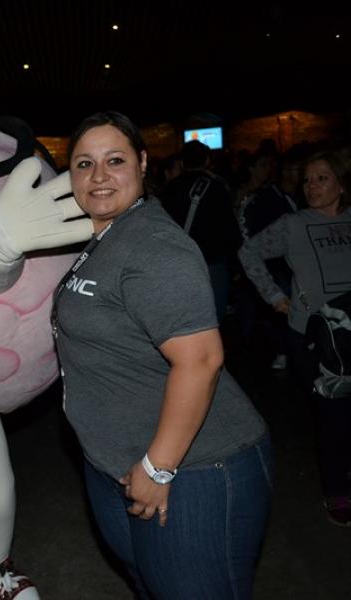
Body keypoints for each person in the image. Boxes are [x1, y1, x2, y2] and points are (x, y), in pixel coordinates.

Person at [53, 112, 271, 599]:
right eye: (84, 163)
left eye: (115, 160)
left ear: (143, 163)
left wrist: (158, 467)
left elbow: (201, 360)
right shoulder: (105, 235)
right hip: (118, 460)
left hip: (194, 469)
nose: (99, 176)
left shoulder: (153, 245)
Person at [239, 149, 351, 526]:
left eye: (321, 178)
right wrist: (274, 296)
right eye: (307, 180)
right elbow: (248, 252)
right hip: (313, 338)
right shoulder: (293, 224)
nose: (311, 186)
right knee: (333, 415)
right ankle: (337, 490)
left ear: (341, 184)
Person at [159, 139, 241, 323]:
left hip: (179, 263)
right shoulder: (216, 186)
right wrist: (234, 263)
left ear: (182, 162)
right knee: (213, 318)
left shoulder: (170, 188)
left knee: (184, 319)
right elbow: (229, 228)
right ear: (207, 160)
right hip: (211, 263)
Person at [235, 151, 297, 370]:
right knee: (276, 308)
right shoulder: (263, 198)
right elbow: (249, 239)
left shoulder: (294, 196)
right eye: (290, 170)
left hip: (287, 266)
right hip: (272, 265)